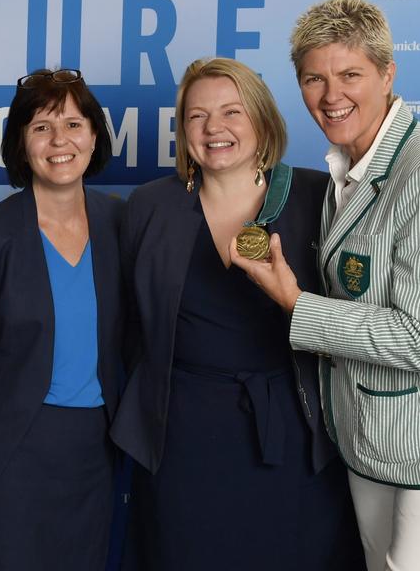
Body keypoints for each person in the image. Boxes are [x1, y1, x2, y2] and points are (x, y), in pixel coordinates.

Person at [232, 0, 420, 571]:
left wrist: (297, 305)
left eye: (350, 74)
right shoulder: (345, 168)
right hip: (377, 437)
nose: (331, 95)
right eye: (314, 78)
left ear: (388, 74)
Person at [111, 58, 362, 569]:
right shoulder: (149, 206)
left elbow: (392, 265)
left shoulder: (320, 195)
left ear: (262, 119)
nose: (214, 129)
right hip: (182, 436)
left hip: (294, 430)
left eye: (232, 112)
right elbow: (130, 326)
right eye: (197, 117)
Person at [0, 69, 124, 571]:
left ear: (94, 136)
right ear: (21, 143)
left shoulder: (122, 224)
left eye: (73, 124)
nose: (59, 141)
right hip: (7, 452)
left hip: (92, 450)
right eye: (41, 127)